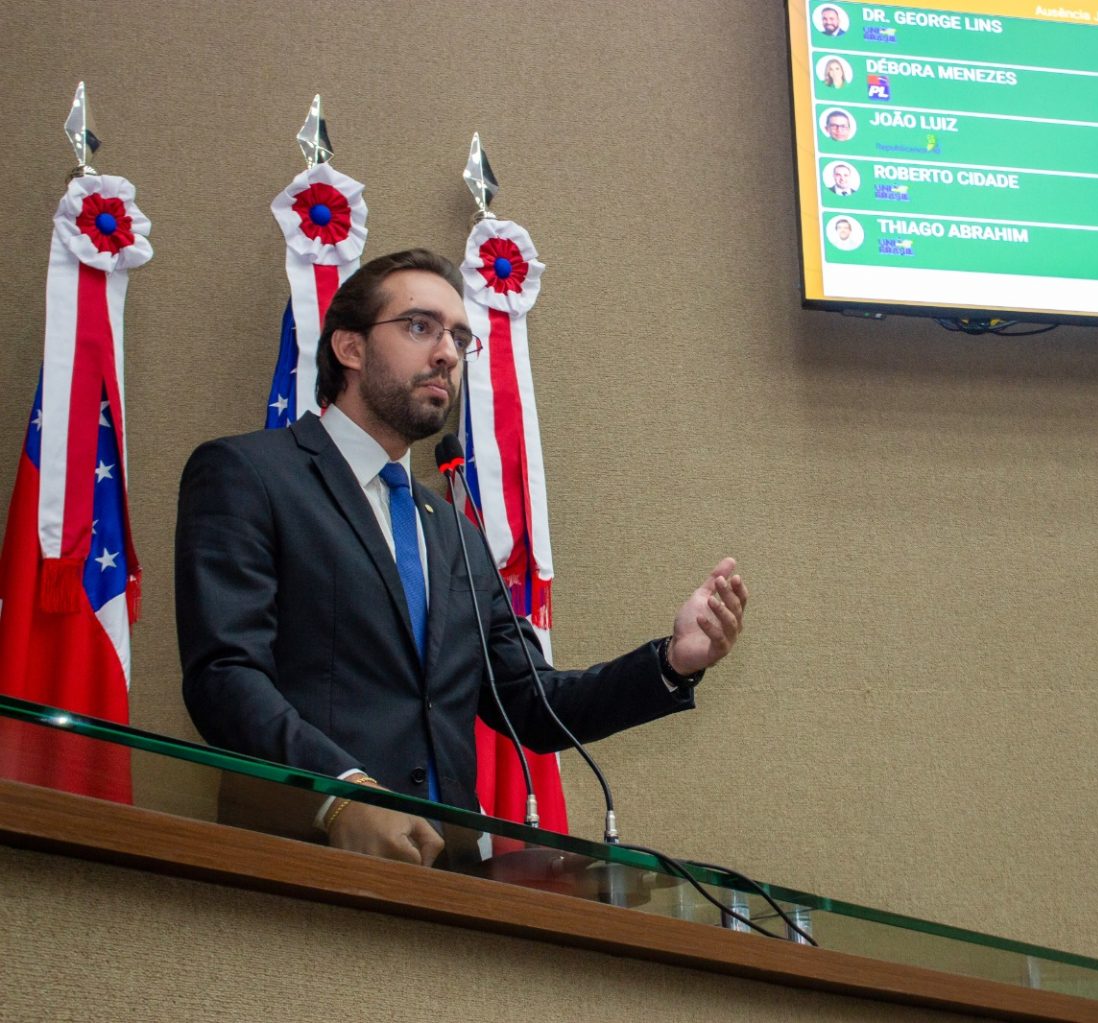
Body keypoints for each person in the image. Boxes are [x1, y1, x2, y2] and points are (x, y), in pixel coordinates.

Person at [177, 249, 748, 867]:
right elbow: (225, 677)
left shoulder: (453, 532)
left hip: (451, 883)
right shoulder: (249, 475)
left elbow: (529, 702)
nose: (447, 353)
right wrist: (341, 794)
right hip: (301, 861)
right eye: (421, 327)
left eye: (458, 337)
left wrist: (671, 662)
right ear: (349, 347)